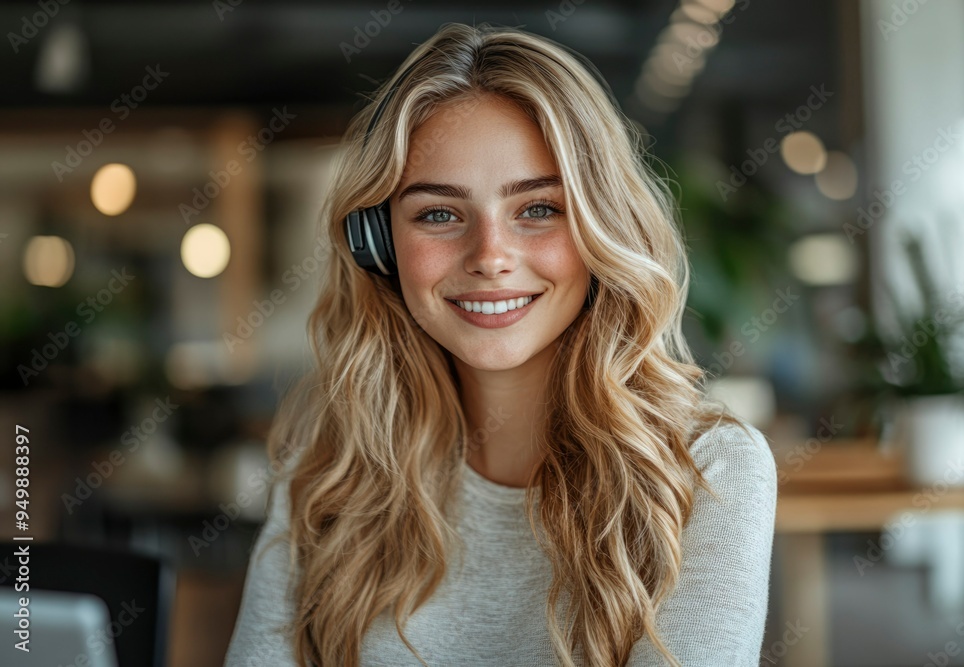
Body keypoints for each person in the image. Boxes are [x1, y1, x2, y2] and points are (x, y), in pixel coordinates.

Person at [224, 21, 777, 667]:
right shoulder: (330, 463)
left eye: (538, 208)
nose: (490, 256)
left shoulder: (708, 469)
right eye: (438, 213)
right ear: (379, 246)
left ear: (602, 226)